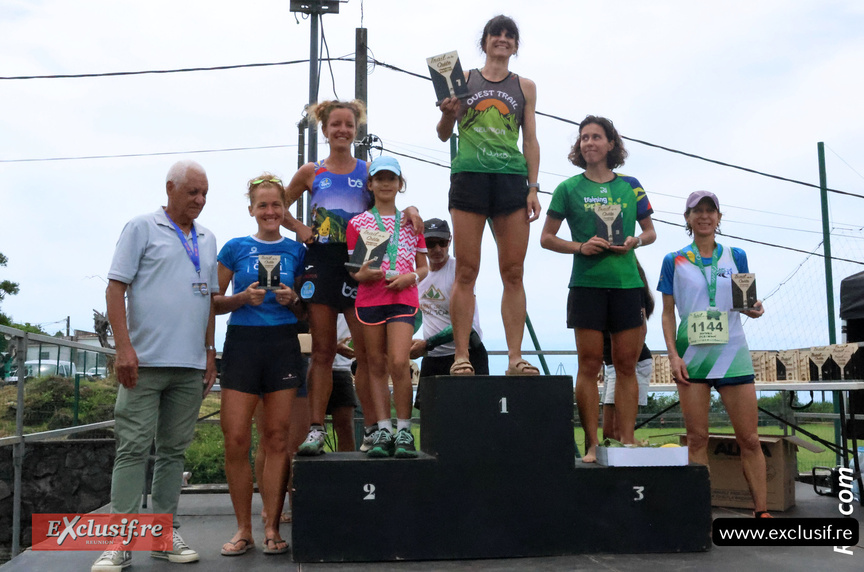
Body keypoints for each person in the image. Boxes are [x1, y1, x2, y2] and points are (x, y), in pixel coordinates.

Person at [94, 160, 217, 571]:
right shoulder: (141, 227)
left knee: (172, 453)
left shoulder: (208, 238)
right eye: (192, 192)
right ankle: (119, 542)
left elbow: (208, 300)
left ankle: (164, 536)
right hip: (142, 363)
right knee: (132, 449)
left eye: (204, 193)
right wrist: (123, 349)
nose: (200, 200)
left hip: (189, 365)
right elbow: (115, 289)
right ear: (170, 189)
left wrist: (210, 352)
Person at [283, 99, 422, 455]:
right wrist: (300, 228)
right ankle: (316, 428)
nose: (342, 130)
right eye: (336, 125)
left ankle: (376, 428)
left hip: (363, 260)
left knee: (366, 353)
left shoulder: (368, 170)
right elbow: (276, 204)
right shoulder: (311, 171)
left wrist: (410, 208)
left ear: (356, 129)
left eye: (348, 125)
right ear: (324, 129)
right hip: (322, 260)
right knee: (323, 350)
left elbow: (389, 199)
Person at [539, 115, 656, 462]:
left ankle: (627, 441)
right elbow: (546, 238)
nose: (589, 142)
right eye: (584, 137)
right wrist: (580, 247)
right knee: (589, 365)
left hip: (627, 284)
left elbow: (650, 232)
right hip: (586, 285)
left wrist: (635, 241)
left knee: (626, 365)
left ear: (611, 144)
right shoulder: (568, 188)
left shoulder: (631, 186)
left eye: (596, 137)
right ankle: (592, 444)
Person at [436, 15, 541, 376]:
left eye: (510, 35)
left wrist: (533, 187)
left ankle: (515, 358)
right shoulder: (463, 79)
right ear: (484, 42)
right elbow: (443, 132)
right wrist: (448, 115)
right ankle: (461, 355)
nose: (502, 39)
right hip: (469, 177)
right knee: (467, 270)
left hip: (511, 179)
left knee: (513, 271)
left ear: (516, 45)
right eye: (496, 34)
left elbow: (530, 139)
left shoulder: (525, 86)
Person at [658, 190, 770, 518]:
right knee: (697, 439)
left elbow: (743, 301)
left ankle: (762, 512)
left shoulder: (736, 255)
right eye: (698, 211)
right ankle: (700, 516)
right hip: (691, 357)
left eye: (711, 211)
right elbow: (667, 313)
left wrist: (753, 308)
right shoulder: (674, 260)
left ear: (719, 217)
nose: (704, 216)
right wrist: (673, 356)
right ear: (687, 218)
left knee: (750, 438)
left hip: (733, 354)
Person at [213, 174, 306, 556]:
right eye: (262, 205)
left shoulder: (297, 251)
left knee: (277, 438)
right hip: (243, 344)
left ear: (284, 209)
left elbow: (308, 309)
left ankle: (271, 526)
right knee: (236, 438)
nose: (270, 211)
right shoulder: (234, 248)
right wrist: (241, 299)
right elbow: (213, 302)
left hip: (282, 344)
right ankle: (243, 529)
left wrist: (293, 300)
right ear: (251, 209)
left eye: (276, 205)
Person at [347, 156, 428, 457]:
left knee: (398, 361)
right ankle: (383, 428)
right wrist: (362, 275)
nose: (385, 184)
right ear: (370, 184)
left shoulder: (412, 222)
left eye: (391, 178)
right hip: (371, 299)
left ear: (400, 184)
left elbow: (424, 267)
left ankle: (404, 429)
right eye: (379, 178)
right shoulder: (357, 223)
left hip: (403, 298)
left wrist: (410, 277)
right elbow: (355, 270)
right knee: (376, 364)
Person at [410, 218, 489, 377]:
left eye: (442, 242)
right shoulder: (418, 276)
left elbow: (465, 322)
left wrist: (428, 344)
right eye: (430, 244)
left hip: (468, 356)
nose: (437, 249)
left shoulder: (459, 271)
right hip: (433, 357)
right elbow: (417, 316)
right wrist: (405, 342)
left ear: (450, 240)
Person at [602, 261, 654, 441]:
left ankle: (630, 451)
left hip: (632, 363)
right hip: (611, 364)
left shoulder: (631, 291)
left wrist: (630, 365)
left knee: (617, 430)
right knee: (609, 432)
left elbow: (642, 329)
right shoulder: (600, 292)